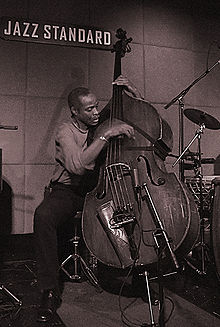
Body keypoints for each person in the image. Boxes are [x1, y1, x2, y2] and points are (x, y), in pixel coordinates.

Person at [33, 75, 142, 322]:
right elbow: (77, 167)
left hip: (102, 189)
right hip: (69, 192)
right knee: (43, 216)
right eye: (89, 108)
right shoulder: (65, 130)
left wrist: (133, 91)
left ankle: (140, 275)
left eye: (96, 106)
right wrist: (106, 135)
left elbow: (139, 115)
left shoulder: (98, 121)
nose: (95, 112)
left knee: (135, 208)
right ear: (75, 111)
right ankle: (49, 291)